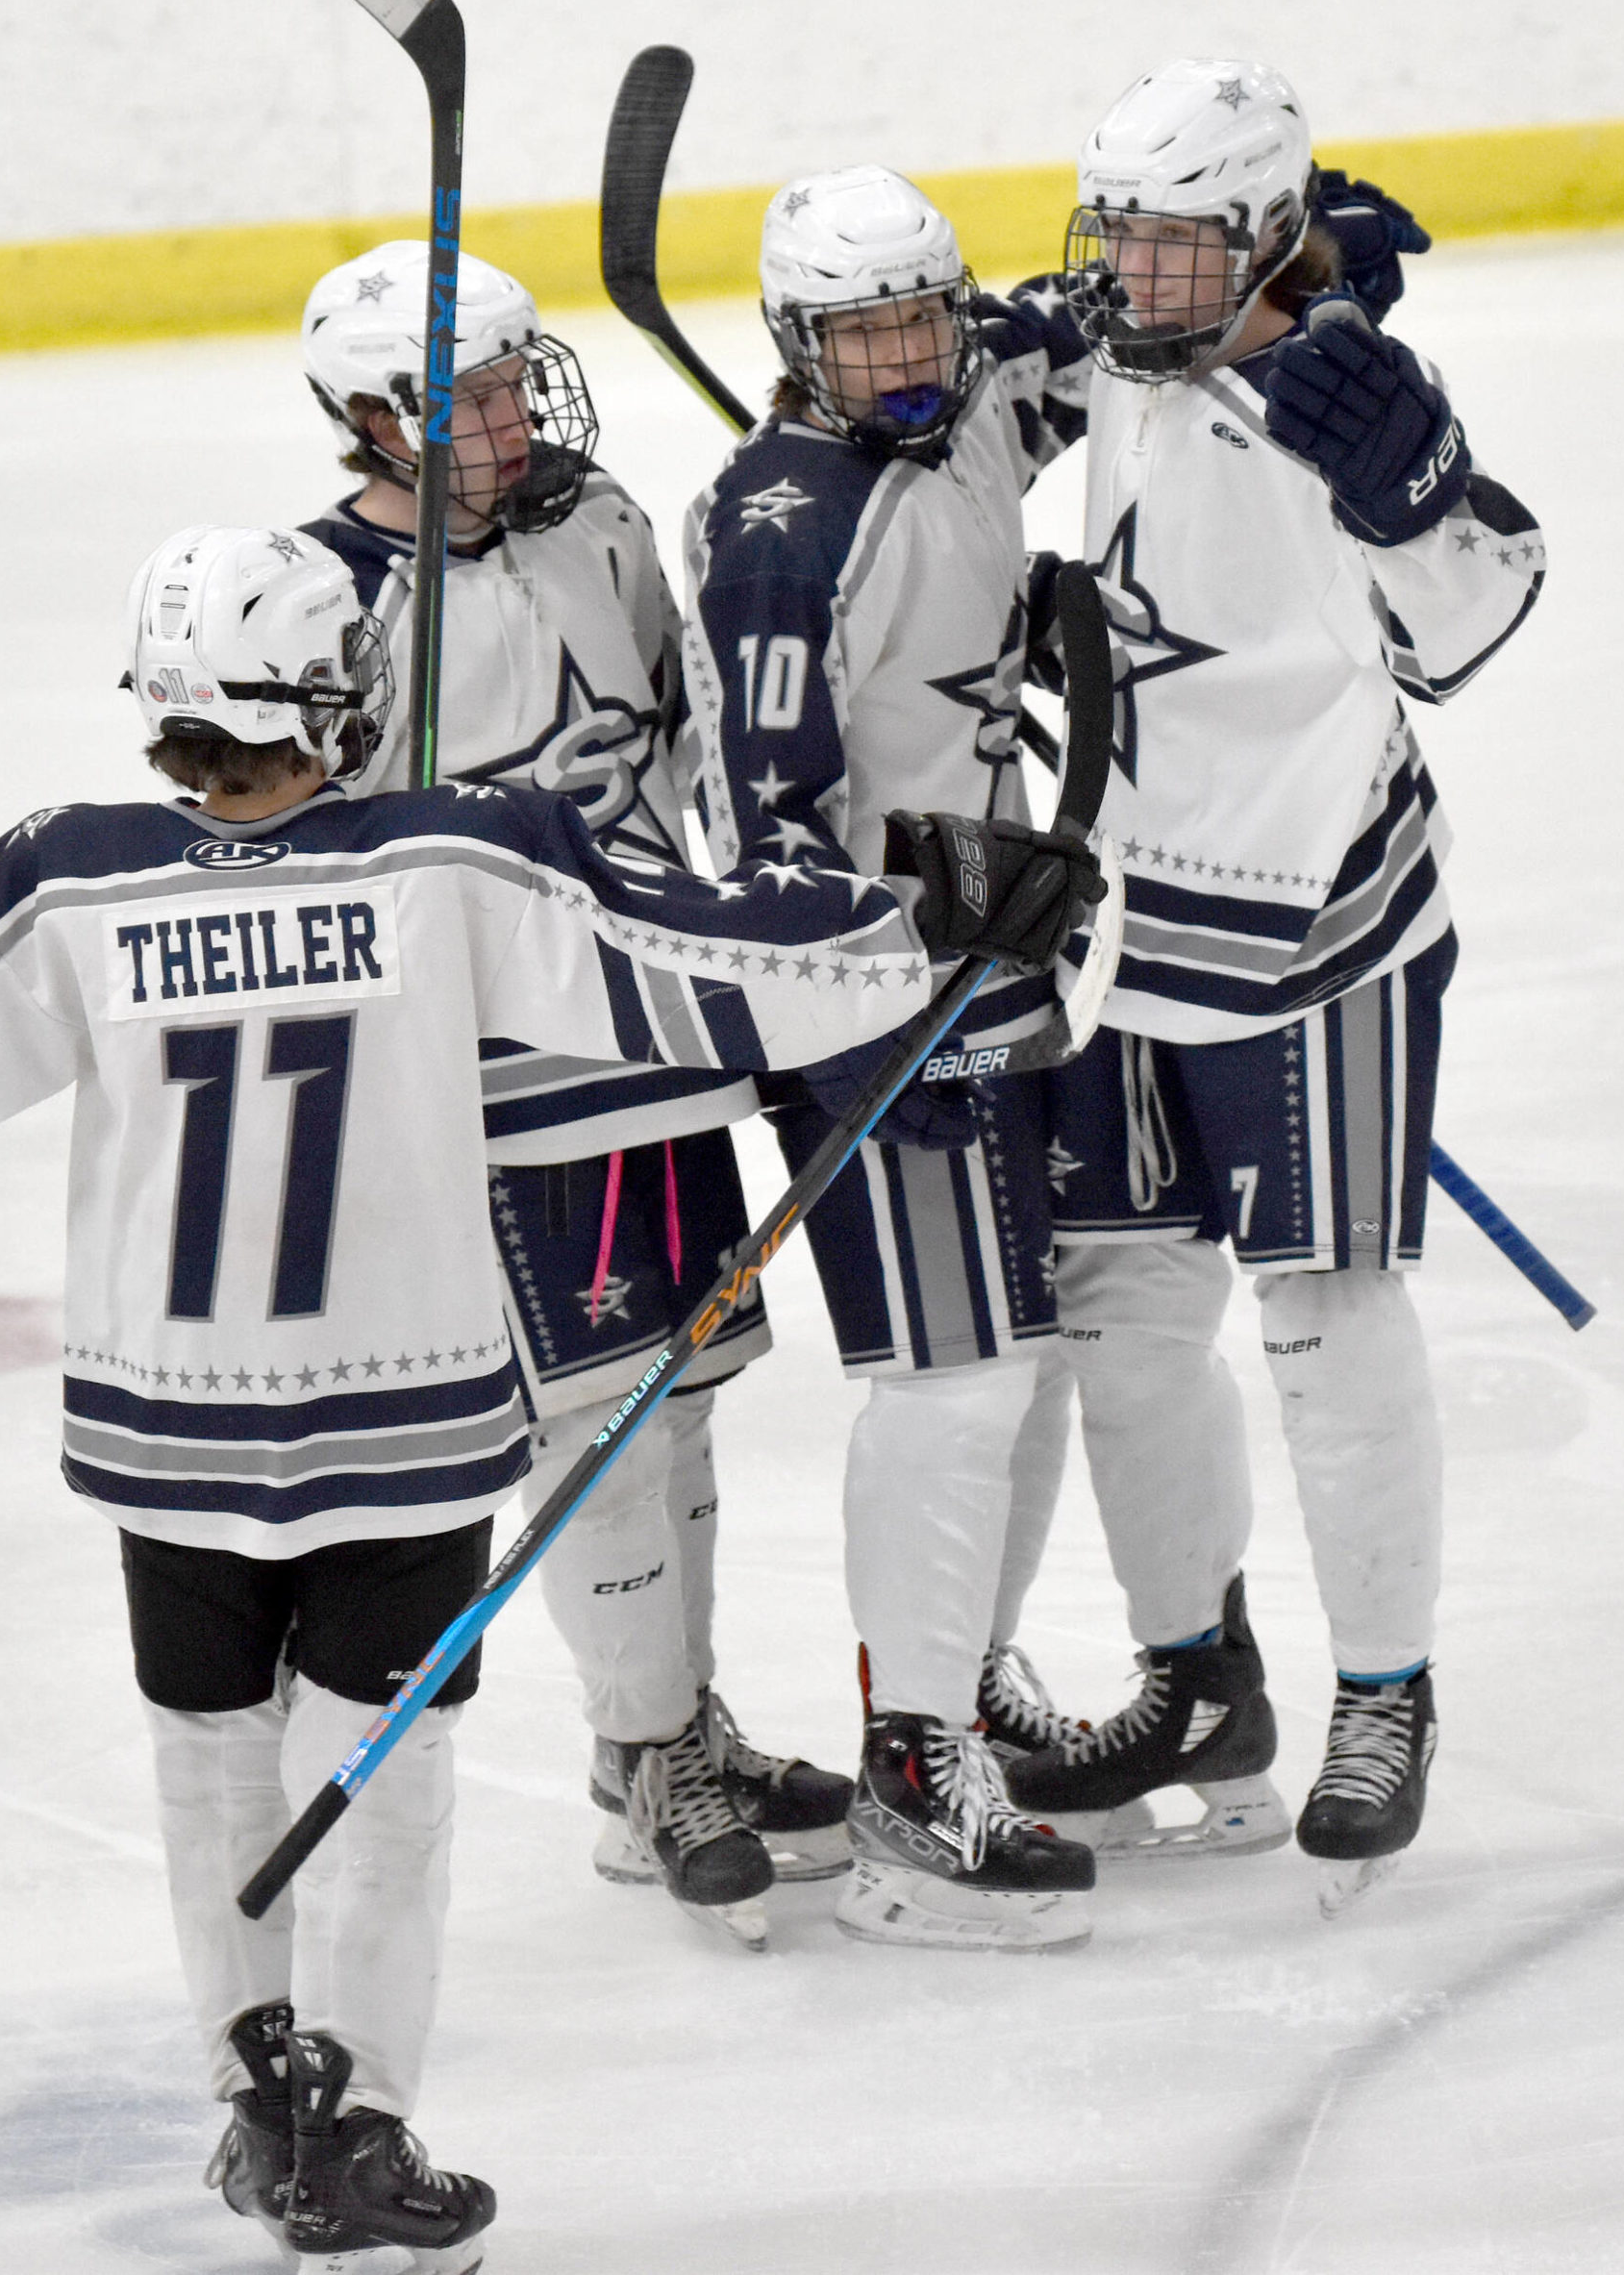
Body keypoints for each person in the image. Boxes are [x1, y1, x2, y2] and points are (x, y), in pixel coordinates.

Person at [0, 525, 1089, 2261]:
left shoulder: (59, 883)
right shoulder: (453, 857)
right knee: (373, 1775)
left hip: (172, 1431)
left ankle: (259, 2109)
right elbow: (709, 969)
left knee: (209, 1763)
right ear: (346, 694)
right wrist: (925, 922)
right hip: (403, 1428)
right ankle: (361, 2118)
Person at [998, 59, 1545, 1908]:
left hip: (1320, 922)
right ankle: (1196, 1678)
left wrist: (1405, 504)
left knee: (1323, 1318)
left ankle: (1381, 1696)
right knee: (1118, 1317)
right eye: (1119, 241)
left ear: (1255, 239)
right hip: (1131, 921)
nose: (1125, 278)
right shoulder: (1134, 348)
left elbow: (1472, 618)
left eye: (1167, 247)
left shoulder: (1339, 402)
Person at [291, 239, 852, 1944]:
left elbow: (689, 749)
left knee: (673, 1397)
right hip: (498, 1071)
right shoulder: (332, 600)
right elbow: (303, 844)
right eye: (465, 395)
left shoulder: (598, 524)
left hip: (651, 1022)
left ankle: (669, 1733)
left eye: (516, 382)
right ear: (376, 420)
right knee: (592, 1417)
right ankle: (648, 1747)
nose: (509, 415)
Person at [682, 164, 1110, 1949]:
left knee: (1014, 1371)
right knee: (948, 1383)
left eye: (923, 319)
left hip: (999, 972)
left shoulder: (971, 399)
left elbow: (1096, 339)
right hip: (874, 1010)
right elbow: (767, 842)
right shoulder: (777, 532)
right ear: (798, 345)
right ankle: (913, 1784)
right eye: (862, 337)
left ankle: (949, 1690)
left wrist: (1282, 269)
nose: (907, 357)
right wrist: (934, 891)